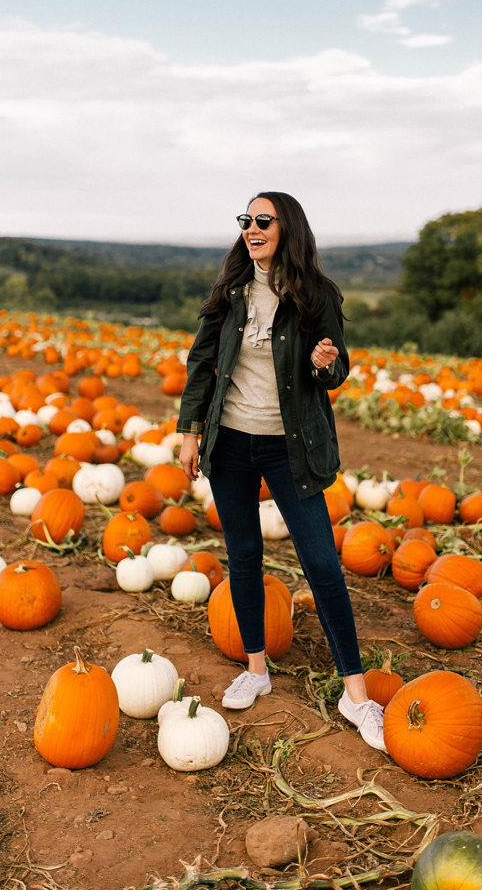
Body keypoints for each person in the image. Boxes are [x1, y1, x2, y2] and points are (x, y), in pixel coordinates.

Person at [177, 191, 386, 751]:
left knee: (321, 562)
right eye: (246, 220)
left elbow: (337, 366)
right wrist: (189, 430)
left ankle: (357, 696)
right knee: (243, 556)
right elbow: (201, 361)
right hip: (233, 441)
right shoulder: (231, 290)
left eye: (262, 220)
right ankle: (256, 668)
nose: (251, 228)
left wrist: (325, 365)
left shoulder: (314, 294)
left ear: (286, 227)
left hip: (287, 446)